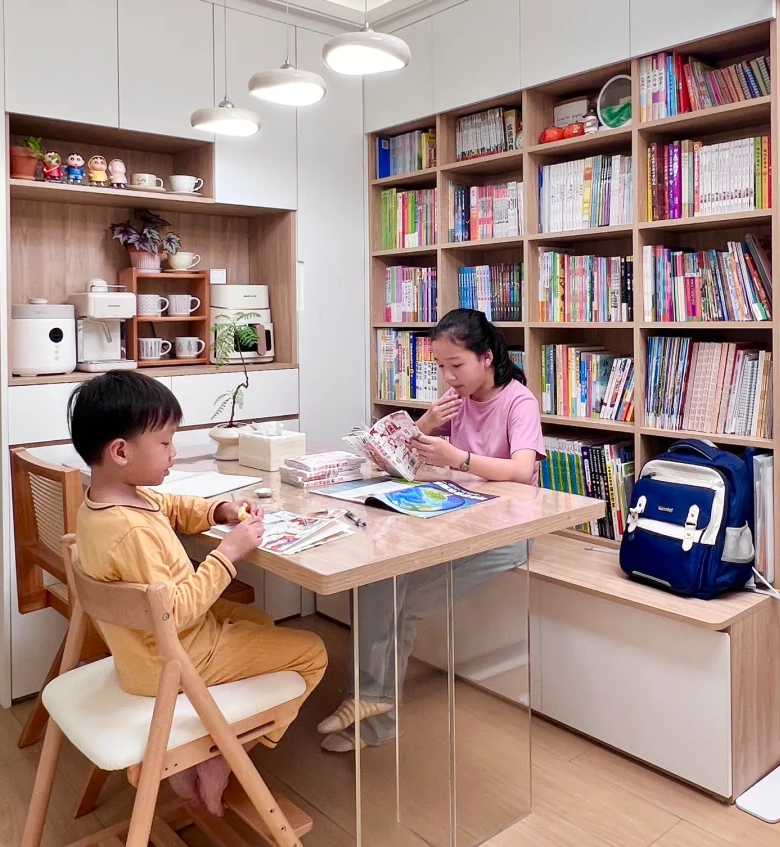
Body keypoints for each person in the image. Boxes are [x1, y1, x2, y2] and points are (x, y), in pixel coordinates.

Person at [68, 371, 327, 815]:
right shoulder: (130, 533)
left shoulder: (108, 503)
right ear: (121, 452)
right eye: (165, 443)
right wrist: (228, 554)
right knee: (313, 653)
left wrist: (219, 510)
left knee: (260, 621)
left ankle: (211, 743)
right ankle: (221, 756)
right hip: (175, 659)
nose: (174, 452)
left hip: (141, 654)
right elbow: (178, 611)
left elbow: (168, 507)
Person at [318, 308, 544, 752]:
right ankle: (370, 705)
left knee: (397, 598)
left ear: (486, 357)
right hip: (460, 519)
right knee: (378, 581)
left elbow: (522, 470)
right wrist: (423, 425)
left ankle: (374, 712)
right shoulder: (457, 400)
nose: (448, 377)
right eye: (440, 366)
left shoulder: (519, 401)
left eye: (456, 365)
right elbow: (399, 459)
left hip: (505, 533)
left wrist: (457, 458)